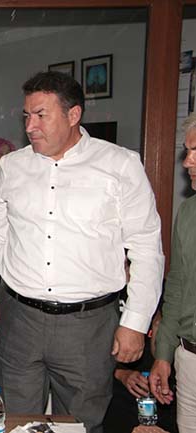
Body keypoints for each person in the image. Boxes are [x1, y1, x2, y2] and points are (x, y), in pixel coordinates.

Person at [0, 71, 164, 433]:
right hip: (17, 321)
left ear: (73, 115)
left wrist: (135, 323)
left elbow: (146, 248)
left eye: (40, 115)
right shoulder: (12, 166)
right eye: (26, 116)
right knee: (12, 425)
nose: (30, 127)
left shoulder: (121, 165)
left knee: (81, 426)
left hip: (87, 327)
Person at [150, 112, 196, 433]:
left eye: (195, 152)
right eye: (187, 151)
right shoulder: (188, 212)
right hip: (189, 358)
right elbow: (177, 286)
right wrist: (164, 354)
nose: (187, 162)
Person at [104, 310, 177, 433]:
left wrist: (158, 327)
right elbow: (93, 357)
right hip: (116, 385)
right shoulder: (110, 306)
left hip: (163, 386)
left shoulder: (168, 306)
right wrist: (121, 373)